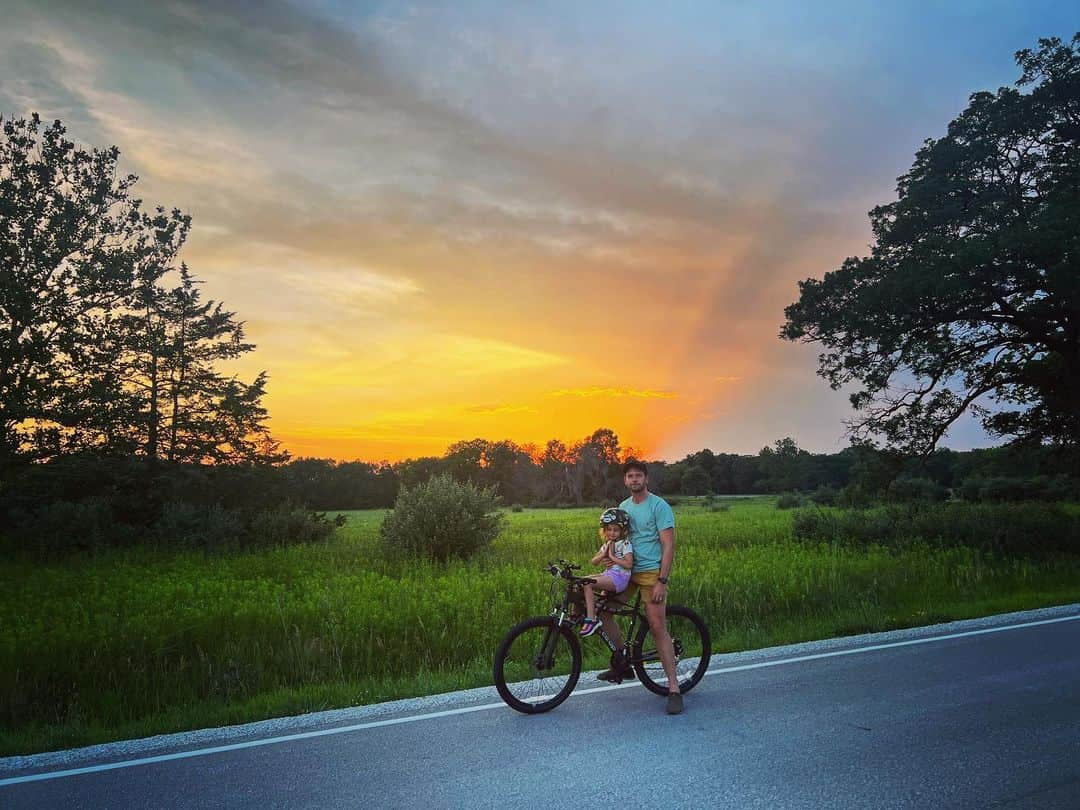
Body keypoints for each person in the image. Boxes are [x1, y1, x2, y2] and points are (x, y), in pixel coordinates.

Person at [596, 459, 683, 714]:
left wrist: (662, 581)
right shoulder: (623, 507)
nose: (634, 480)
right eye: (630, 476)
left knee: (657, 626)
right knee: (605, 610)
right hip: (627, 572)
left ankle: (674, 688)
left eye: (638, 476)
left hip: (650, 573)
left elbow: (669, 545)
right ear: (625, 481)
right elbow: (617, 538)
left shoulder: (659, 506)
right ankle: (623, 662)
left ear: (646, 479)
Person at [579, 508, 634, 638]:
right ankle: (580, 614)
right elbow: (594, 562)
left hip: (620, 578)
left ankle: (591, 620)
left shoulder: (624, 544)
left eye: (616, 530)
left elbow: (628, 564)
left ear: (622, 531)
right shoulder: (606, 544)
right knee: (580, 581)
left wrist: (612, 557)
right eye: (609, 529)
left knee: (587, 583)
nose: (612, 533)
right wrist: (604, 554)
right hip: (609, 575)